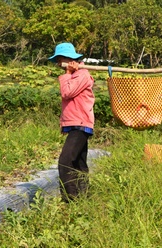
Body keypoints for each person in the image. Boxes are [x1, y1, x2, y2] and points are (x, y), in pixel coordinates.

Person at [48, 42, 95, 202]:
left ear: (68, 59)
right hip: (75, 123)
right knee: (79, 163)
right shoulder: (74, 75)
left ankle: (71, 199)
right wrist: (64, 124)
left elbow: (67, 92)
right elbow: (68, 104)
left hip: (81, 123)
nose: (59, 63)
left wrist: (68, 73)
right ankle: (83, 197)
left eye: (60, 59)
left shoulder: (82, 75)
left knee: (65, 161)